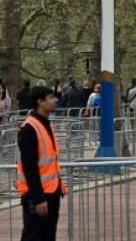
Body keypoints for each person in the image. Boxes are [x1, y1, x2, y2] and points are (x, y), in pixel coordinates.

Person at [17, 85, 67, 240]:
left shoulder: (47, 124)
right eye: (51, 97)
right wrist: (38, 198)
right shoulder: (29, 128)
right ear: (40, 102)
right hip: (38, 195)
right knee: (33, 236)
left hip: (52, 192)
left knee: (47, 236)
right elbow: (29, 167)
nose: (56, 100)